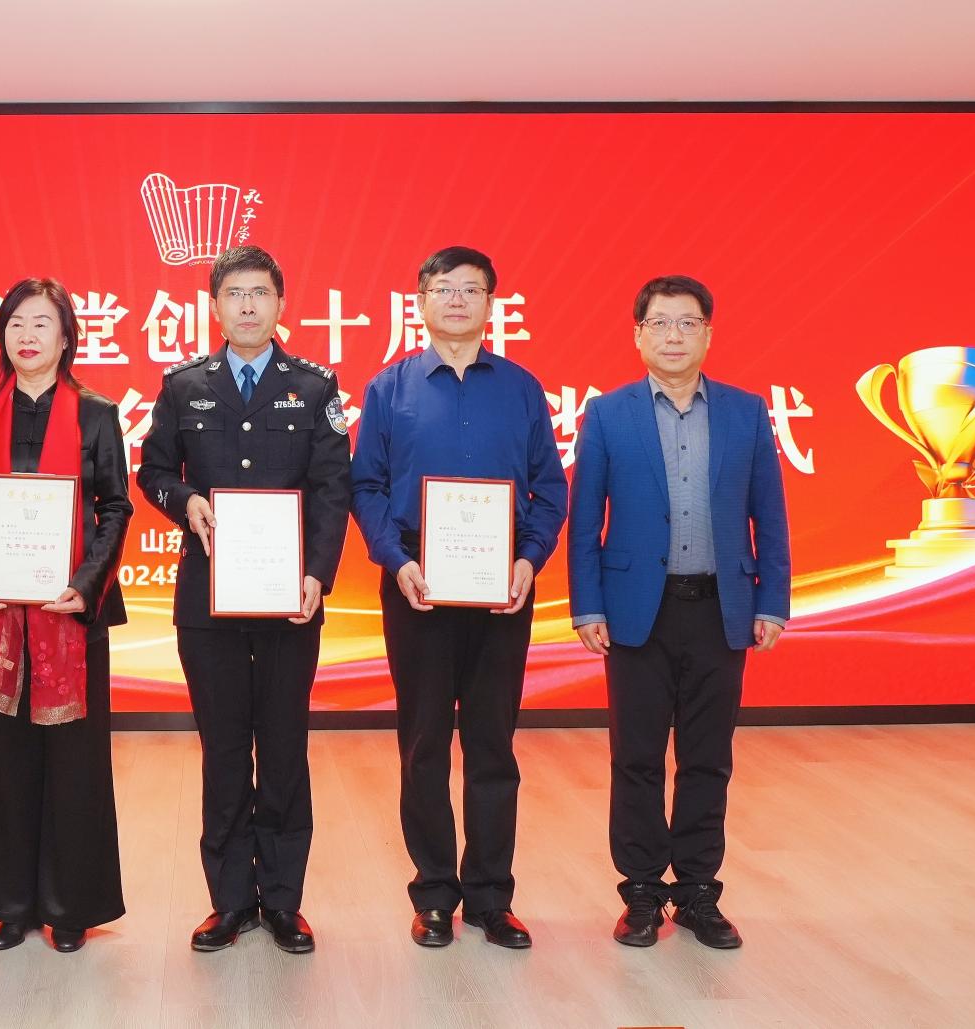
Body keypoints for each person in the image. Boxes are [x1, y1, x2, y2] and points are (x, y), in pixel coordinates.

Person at [137, 245, 352, 954]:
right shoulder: (183, 385)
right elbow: (153, 470)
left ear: (281, 304)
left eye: (261, 293)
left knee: (284, 746)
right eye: (235, 294)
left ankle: (283, 901)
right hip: (209, 603)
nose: (249, 306)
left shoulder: (314, 387)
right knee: (225, 749)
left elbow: (332, 488)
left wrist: (318, 573)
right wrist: (186, 500)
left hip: (291, 601)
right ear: (215, 306)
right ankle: (229, 900)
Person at [350, 246, 567, 949]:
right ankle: (435, 894)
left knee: (493, 743)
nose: (456, 300)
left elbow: (549, 487)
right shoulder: (389, 389)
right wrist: (397, 561)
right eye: (443, 288)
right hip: (418, 581)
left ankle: (491, 897)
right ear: (420, 301)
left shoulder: (523, 389)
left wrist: (529, 560)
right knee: (423, 744)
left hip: (502, 582)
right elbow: (366, 487)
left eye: (471, 289)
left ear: (490, 304)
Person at [567, 274, 790, 950]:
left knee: (707, 757)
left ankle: (696, 891)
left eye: (687, 323)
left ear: (708, 334)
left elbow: (770, 516)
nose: (673, 335)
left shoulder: (747, 413)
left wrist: (772, 600)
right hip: (638, 611)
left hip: (720, 608)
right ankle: (640, 892)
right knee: (635, 756)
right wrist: (587, 605)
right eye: (659, 323)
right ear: (638, 335)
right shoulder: (609, 414)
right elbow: (585, 521)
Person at [0, 277, 133, 953]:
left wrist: (85, 584)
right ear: (2, 335)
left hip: (70, 615)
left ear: (67, 336)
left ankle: (70, 905)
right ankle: (11, 903)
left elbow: (116, 506)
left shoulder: (97, 414)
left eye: (42, 323)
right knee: (3, 763)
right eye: (16, 323)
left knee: (74, 765)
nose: (27, 335)